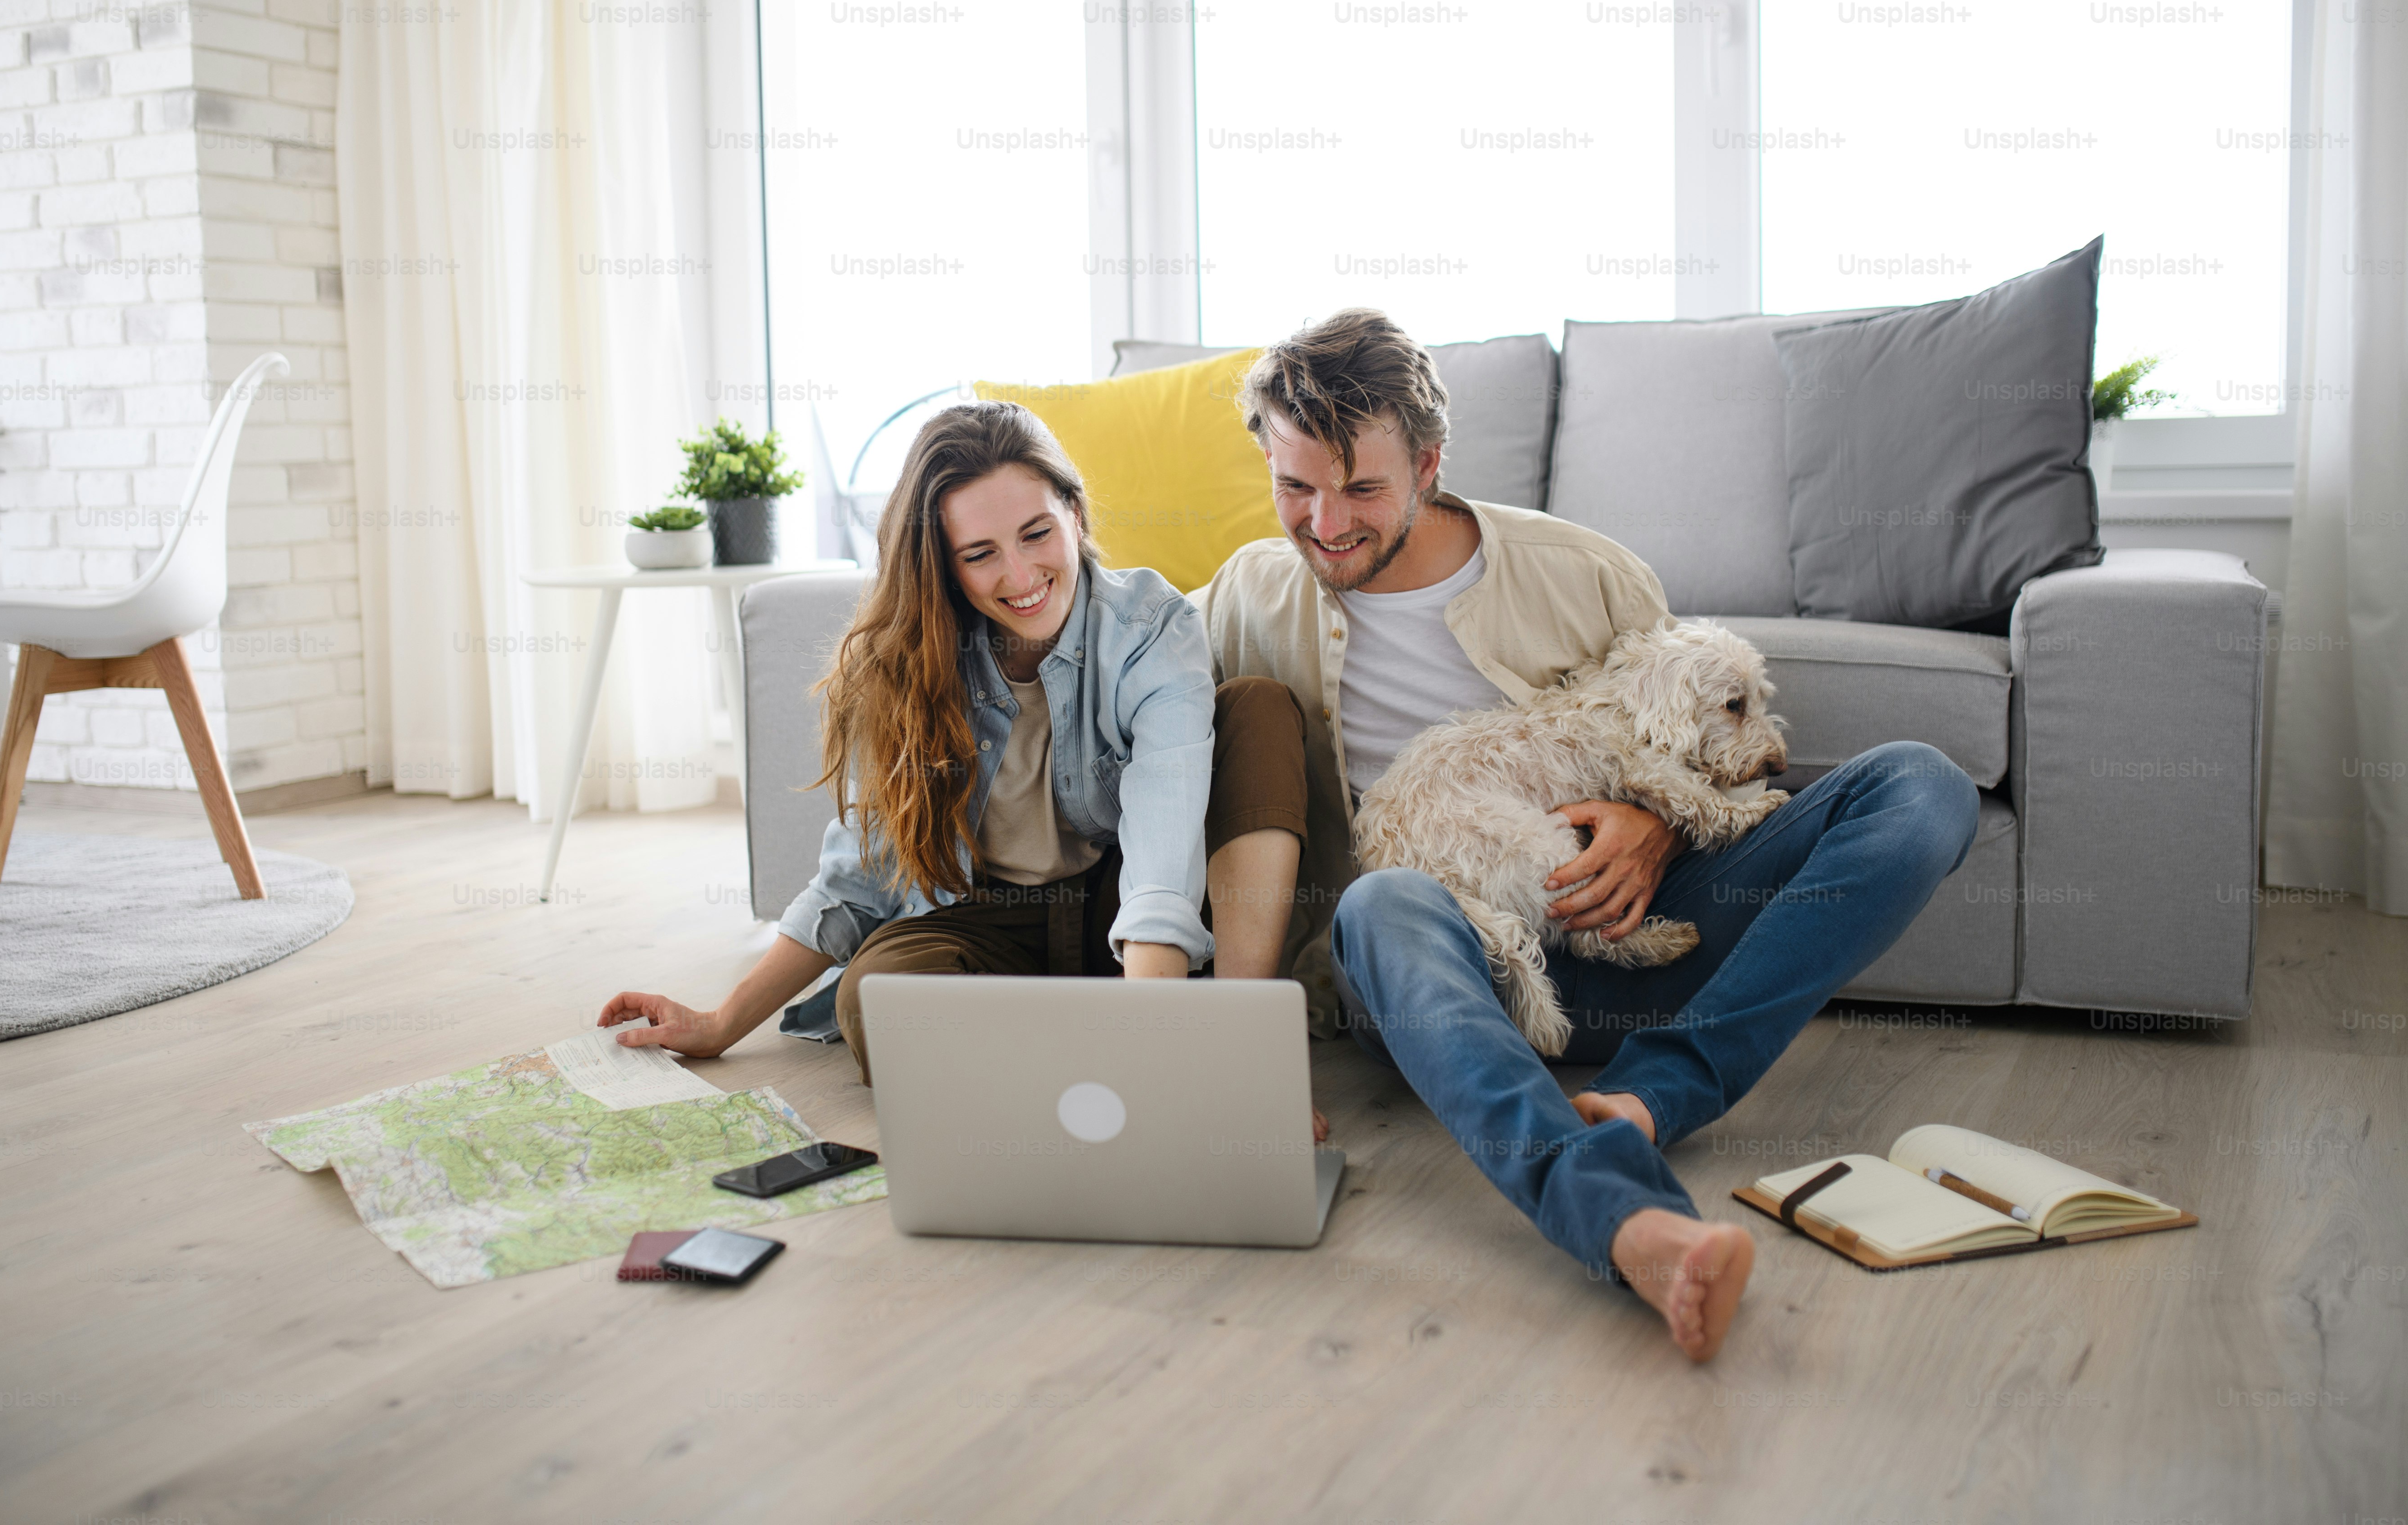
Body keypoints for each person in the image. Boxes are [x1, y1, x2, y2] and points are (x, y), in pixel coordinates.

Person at [1197, 309, 1980, 1361]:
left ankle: (1664, 1090)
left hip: (1649, 940)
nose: (1326, 521)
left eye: (1363, 488)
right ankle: (1625, 1220)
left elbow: (1690, 733)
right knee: (1383, 900)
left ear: (1428, 465)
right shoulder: (1245, 595)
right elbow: (1113, 669)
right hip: (1444, 978)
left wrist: (1654, 822)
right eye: (1295, 485)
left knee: (1921, 786)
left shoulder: (1588, 572)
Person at [598, 401, 1311, 1111]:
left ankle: (1223, 1045)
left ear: (1076, 515)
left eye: (1038, 533)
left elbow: (1161, 854)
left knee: (1256, 708)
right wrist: (721, 1022)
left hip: (1117, 906)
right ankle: (1095, 1067)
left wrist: (1192, 1045)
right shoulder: (905, 666)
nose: (1020, 573)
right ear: (944, 564)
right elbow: (855, 885)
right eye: (980, 555)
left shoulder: (1151, 628)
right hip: (990, 919)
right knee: (876, 997)